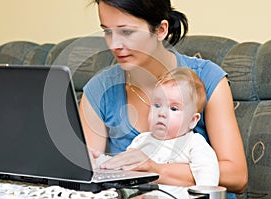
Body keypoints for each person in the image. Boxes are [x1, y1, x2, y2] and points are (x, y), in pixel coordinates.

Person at [79, 0, 248, 198]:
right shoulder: (99, 89)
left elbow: (237, 177)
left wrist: (154, 169)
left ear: (160, 30)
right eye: (107, 32)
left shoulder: (208, 78)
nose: (114, 45)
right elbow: (88, 176)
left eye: (126, 32)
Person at [97, 67, 220, 187]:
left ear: (193, 120)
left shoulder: (193, 143)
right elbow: (123, 165)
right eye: (157, 105)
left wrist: (205, 192)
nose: (161, 113)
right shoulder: (141, 140)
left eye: (173, 108)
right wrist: (100, 160)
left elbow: (207, 172)